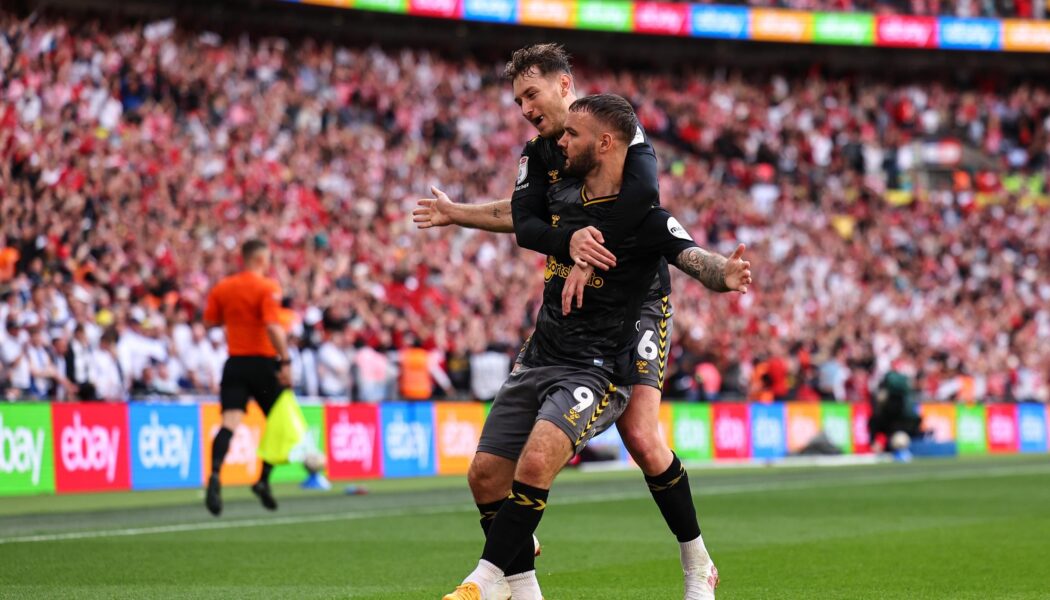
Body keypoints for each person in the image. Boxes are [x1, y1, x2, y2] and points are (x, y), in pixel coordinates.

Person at [416, 44, 720, 599]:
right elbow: (526, 222)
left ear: (564, 85)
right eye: (517, 101)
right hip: (574, 299)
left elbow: (645, 198)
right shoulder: (539, 154)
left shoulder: (616, 131)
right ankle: (518, 572)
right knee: (496, 467)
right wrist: (463, 214)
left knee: (643, 437)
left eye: (532, 94)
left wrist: (588, 244)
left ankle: (697, 563)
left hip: (639, 300)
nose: (526, 108)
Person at [202, 239, 292, 516]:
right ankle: (263, 480)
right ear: (262, 259)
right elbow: (273, 327)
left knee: (229, 422)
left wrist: (236, 318)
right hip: (263, 364)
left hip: (235, 363)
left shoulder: (223, 287)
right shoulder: (267, 287)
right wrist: (286, 360)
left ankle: (215, 475)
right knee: (283, 424)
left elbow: (209, 321)